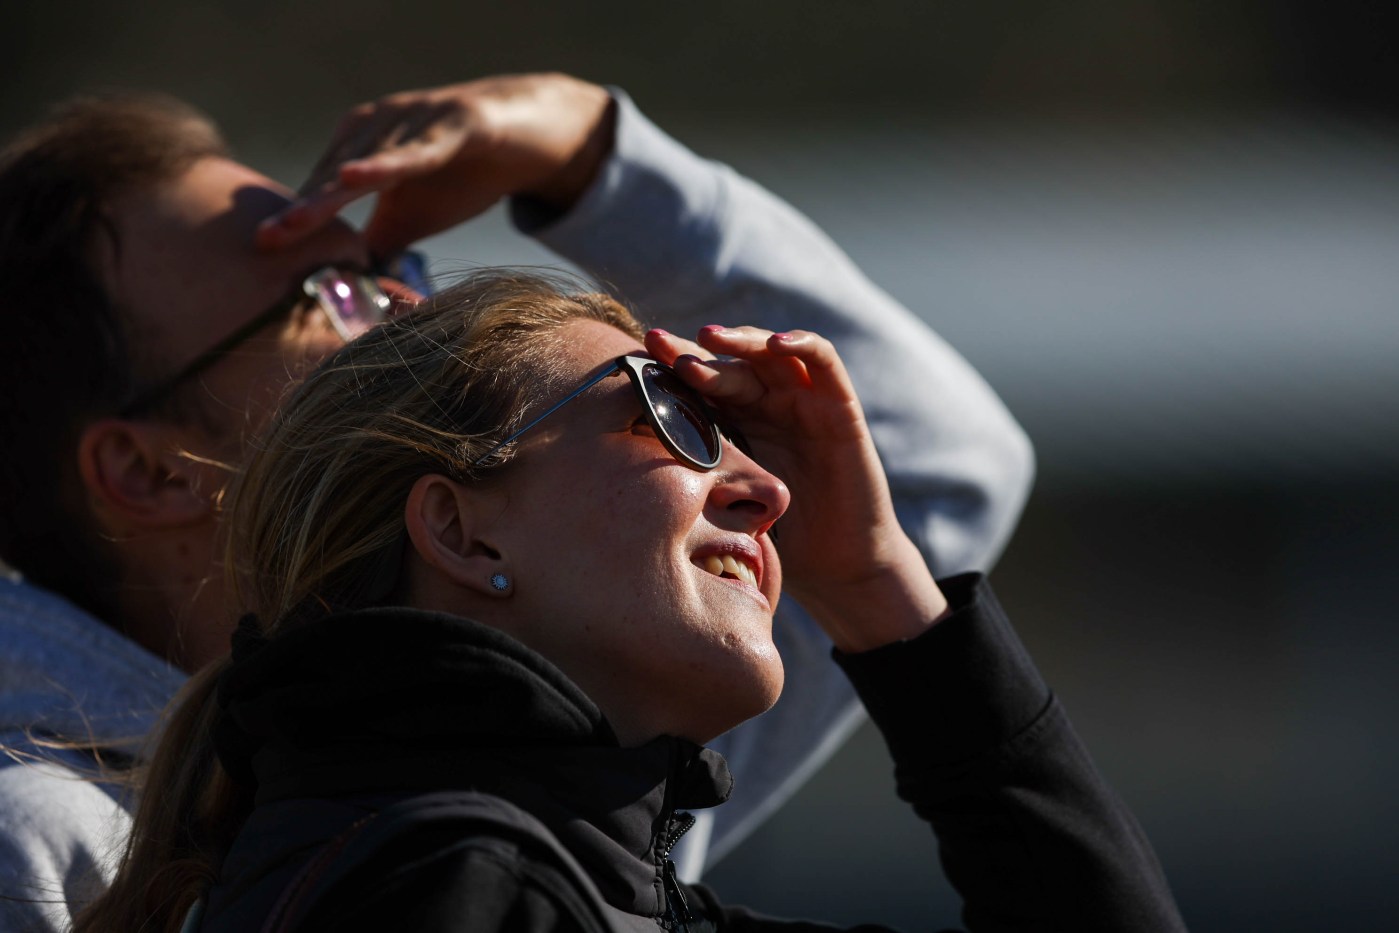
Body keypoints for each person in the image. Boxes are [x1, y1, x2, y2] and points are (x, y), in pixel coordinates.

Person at [0, 75, 1033, 929]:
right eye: (332, 295)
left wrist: (592, 151)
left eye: (393, 269)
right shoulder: (33, 837)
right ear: (152, 473)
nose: (417, 306)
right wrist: (602, 176)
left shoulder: (566, 723)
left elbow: (914, 471)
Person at [74, 272, 1183, 932]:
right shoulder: (456, 887)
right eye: (670, 413)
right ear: (461, 529)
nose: (766, 490)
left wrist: (872, 582)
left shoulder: (515, 880)